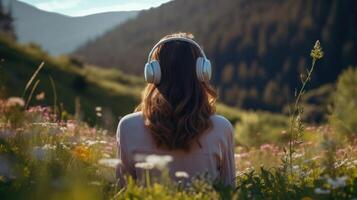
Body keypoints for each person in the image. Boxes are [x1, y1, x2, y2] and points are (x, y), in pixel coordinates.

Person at [116, 32, 235, 187]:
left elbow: (122, 189)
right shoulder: (221, 127)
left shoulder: (128, 126)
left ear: (153, 73)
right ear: (202, 72)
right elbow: (229, 189)